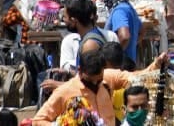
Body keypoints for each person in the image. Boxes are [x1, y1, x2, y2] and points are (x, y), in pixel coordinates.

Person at [34, 50, 167, 125]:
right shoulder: (64, 92)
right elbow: (38, 121)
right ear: (79, 71)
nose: (96, 84)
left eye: (99, 80)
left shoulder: (107, 77)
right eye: (90, 81)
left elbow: (138, 78)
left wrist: (156, 64)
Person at [102, 0, 142, 64]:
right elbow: (142, 31)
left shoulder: (119, 11)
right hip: (129, 64)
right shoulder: (128, 7)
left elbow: (125, 37)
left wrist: (112, 59)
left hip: (120, 68)